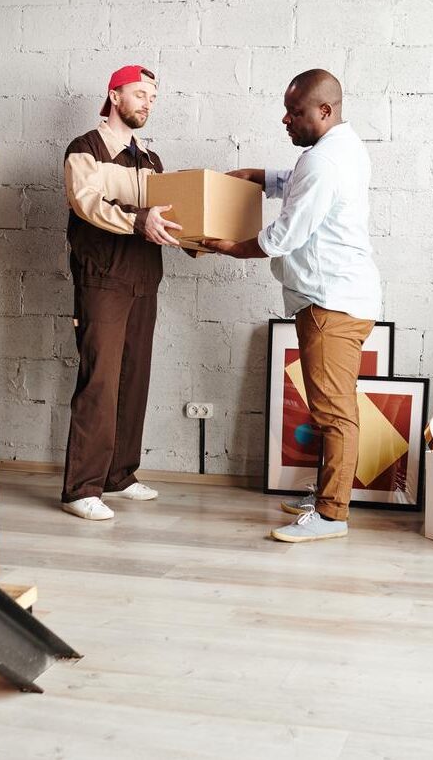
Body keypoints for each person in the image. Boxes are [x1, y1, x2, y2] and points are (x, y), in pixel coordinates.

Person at [203, 69, 381, 543]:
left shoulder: (324, 162)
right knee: (327, 407)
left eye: (295, 111)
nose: (286, 119)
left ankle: (331, 515)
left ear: (324, 110)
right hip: (337, 298)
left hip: (332, 303)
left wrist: (230, 247)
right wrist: (259, 177)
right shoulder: (340, 148)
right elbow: (301, 179)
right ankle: (326, 497)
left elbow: (285, 235)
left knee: (333, 413)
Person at [60, 64, 182, 521]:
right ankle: (81, 488)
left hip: (144, 277)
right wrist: (137, 220)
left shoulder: (151, 159)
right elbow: (86, 202)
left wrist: (202, 238)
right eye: (139, 93)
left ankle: (119, 475)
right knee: (101, 380)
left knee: (134, 378)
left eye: (154, 95)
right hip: (102, 277)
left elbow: (166, 216)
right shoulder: (85, 149)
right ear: (114, 96)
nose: (148, 102)